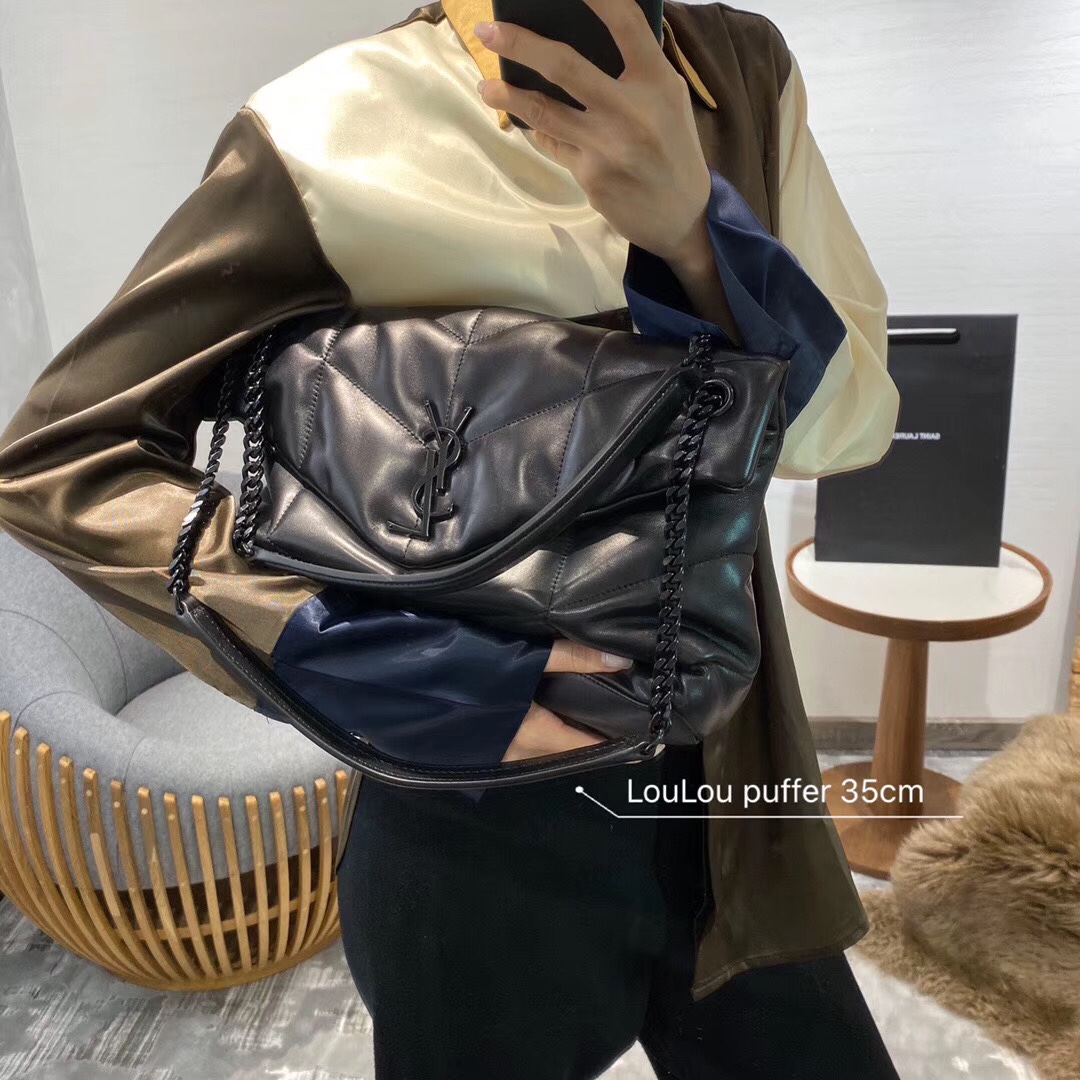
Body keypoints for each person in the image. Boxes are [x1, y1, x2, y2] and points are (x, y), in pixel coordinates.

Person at [0, 1, 902, 1076]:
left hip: (739, 786)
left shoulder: (744, 78)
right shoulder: (323, 124)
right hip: (474, 825)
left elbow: (853, 427)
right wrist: (353, 653)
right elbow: (56, 454)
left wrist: (699, 236)